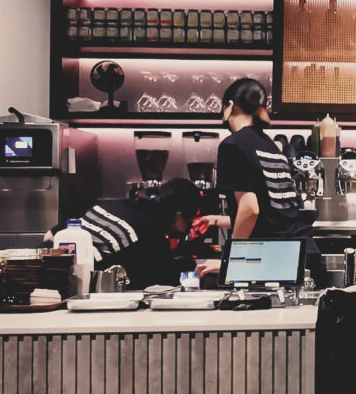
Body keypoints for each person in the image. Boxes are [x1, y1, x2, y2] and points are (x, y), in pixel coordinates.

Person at [193, 78, 321, 280]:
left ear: (229, 107)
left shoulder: (232, 145)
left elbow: (250, 209)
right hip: (301, 254)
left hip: (274, 257)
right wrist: (216, 221)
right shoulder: (270, 146)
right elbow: (272, 215)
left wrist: (232, 260)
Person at [46, 177, 202, 289]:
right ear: (179, 215)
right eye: (191, 219)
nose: (190, 227)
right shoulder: (152, 233)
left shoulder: (115, 205)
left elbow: (48, 236)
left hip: (43, 278)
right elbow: (165, 282)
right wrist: (191, 265)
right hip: (73, 288)